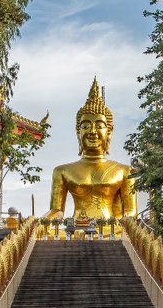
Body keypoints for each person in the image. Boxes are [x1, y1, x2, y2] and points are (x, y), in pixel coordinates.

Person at [44, 78, 136, 225]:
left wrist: (116, 225)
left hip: (111, 229)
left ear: (109, 132)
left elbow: (130, 212)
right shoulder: (62, 171)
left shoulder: (124, 171)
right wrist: (45, 221)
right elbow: (56, 210)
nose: (92, 131)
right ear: (78, 132)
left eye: (99, 126)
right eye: (86, 126)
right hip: (75, 229)